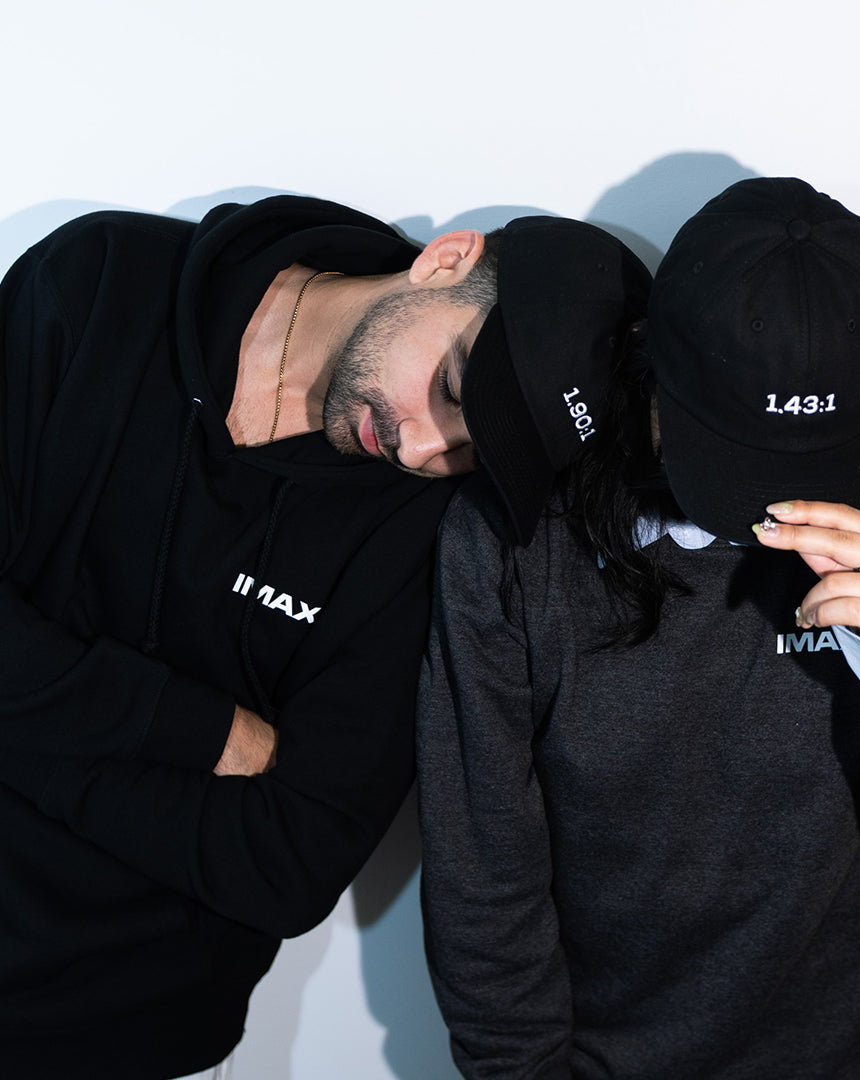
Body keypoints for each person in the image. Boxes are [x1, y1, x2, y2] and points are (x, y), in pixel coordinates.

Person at [416, 178, 860, 1080]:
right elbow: (482, 873)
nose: (773, 501)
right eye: (736, 457)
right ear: (647, 371)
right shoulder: (518, 545)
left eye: (817, 459)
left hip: (852, 1054)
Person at [0, 193, 650, 1078]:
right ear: (447, 261)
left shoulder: (434, 531)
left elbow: (289, 862)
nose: (426, 452)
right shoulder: (100, 285)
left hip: (124, 1033)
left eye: (478, 452)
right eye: (456, 388)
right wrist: (198, 731)